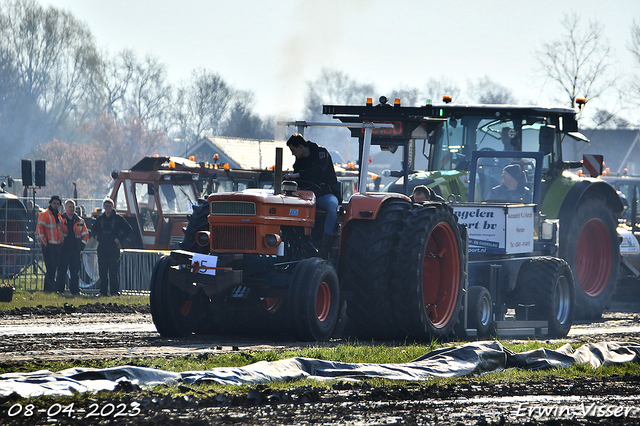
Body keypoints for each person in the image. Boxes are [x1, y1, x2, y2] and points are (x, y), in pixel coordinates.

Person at [284, 134, 341, 257]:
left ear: (300, 147)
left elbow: (317, 171)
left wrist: (296, 175)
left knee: (332, 206)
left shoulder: (321, 154)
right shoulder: (298, 163)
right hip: (307, 196)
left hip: (324, 194)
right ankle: (294, 238)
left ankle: (326, 240)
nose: (293, 154)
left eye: (293, 150)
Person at [91, 198, 132, 296]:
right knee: (102, 271)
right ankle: (102, 292)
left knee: (113, 271)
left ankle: (114, 292)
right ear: (103, 207)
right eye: (106, 205)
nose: (108, 207)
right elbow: (93, 229)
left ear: (112, 206)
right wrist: (95, 236)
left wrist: (119, 238)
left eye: (110, 205)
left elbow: (129, 229)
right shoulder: (100, 219)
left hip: (113, 247)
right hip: (102, 247)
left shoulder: (118, 218)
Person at [56, 199, 89, 295]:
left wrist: (82, 245)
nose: (72, 209)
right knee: (62, 271)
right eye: (70, 207)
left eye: (73, 207)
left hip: (75, 250)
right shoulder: (60, 219)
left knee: (75, 272)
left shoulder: (80, 220)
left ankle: (75, 290)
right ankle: (59, 290)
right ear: (65, 207)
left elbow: (85, 234)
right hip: (63, 249)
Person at [36, 195, 65, 292]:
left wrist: (61, 243)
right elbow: (40, 230)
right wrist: (45, 243)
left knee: (53, 268)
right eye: (54, 203)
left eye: (57, 204)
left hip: (58, 246)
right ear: (50, 203)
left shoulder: (59, 216)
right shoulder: (45, 214)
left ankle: (48, 289)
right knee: (50, 267)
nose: (56, 205)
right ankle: (50, 289)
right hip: (48, 245)